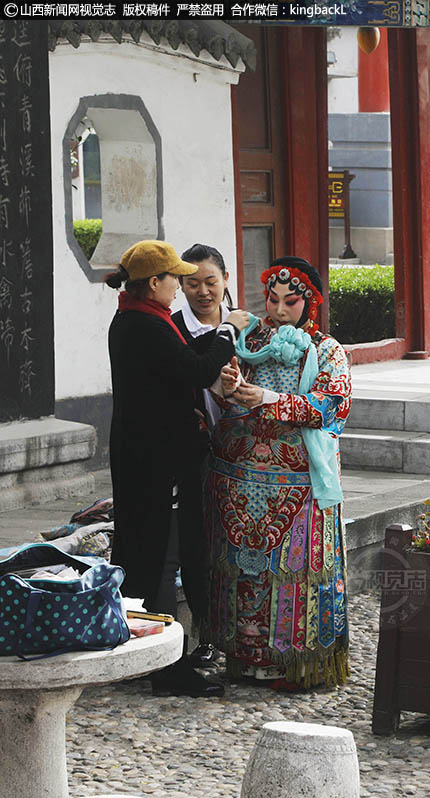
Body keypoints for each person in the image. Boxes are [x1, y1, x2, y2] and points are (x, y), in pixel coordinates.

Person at [106, 240, 251, 697]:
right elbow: (196, 367)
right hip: (158, 462)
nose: (184, 288)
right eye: (178, 280)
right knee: (160, 561)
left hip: (145, 456)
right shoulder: (144, 326)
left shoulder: (136, 318)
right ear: (156, 283)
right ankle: (168, 666)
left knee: (143, 556)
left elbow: (183, 353)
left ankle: (137, 653)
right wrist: (227, 329)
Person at [205, 256, 352, 690]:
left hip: (300, 480)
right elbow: (229, 400)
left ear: (310, 303)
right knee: (245, 571)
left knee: (296, 568)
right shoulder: (248, 339)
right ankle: (243, 658)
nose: (279, 310)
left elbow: (331, 408)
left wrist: (268, 398)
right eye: (273, 300)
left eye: (290, 302)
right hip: (239, 475)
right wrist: (229, 386)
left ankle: (298, 664)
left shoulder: (327, 350)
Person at [170, 243, 233, 669]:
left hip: (246, 456)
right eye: (192, 284)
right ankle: (207, 635)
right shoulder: (171, 329)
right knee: (197, 543)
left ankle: (250, 635)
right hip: (194, 455)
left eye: (211, 282)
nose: (203, 292)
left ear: (225, 280)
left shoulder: (249, 327)